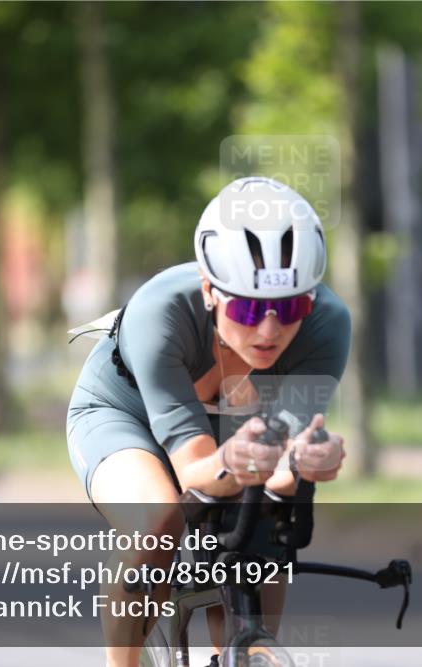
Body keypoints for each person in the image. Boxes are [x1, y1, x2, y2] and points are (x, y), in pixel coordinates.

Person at [67, 177, 350, 667]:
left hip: (233, 432)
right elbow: (195, 467)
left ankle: (246, 651)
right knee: (158, 521)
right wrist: (238, 464)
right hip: (125, 415)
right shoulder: (160, 313)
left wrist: (305, 463)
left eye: (290, 307)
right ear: (209, 290)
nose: (269, 330)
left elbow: (282, 466)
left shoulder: (327, 325)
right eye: (247, 307)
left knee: (264, 525)